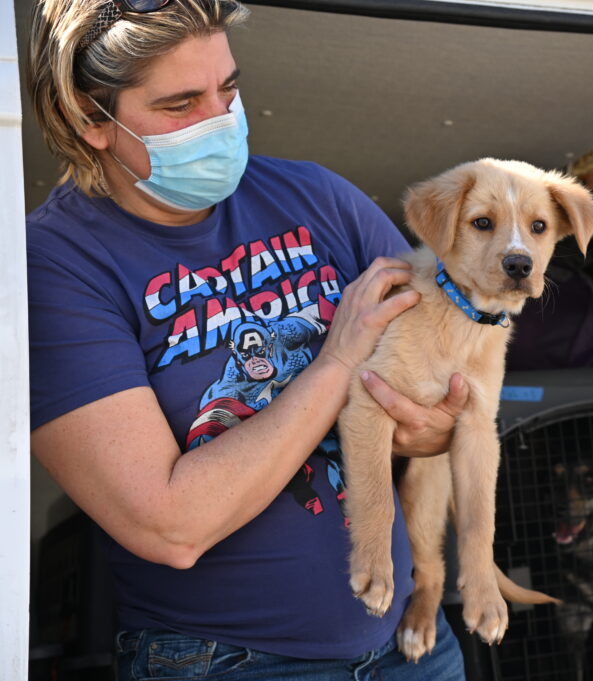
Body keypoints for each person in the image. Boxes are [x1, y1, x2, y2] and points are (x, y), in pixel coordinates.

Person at [26, 1, 470, 678]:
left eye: (227, 88)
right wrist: (340, 361)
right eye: (180, 104)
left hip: (413, 641)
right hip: (229, 661)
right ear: (91, 121)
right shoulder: (54, 264)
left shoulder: (318, 196)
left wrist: (434, 423)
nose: (220, 118)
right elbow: (170, 525)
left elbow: (451, 384)